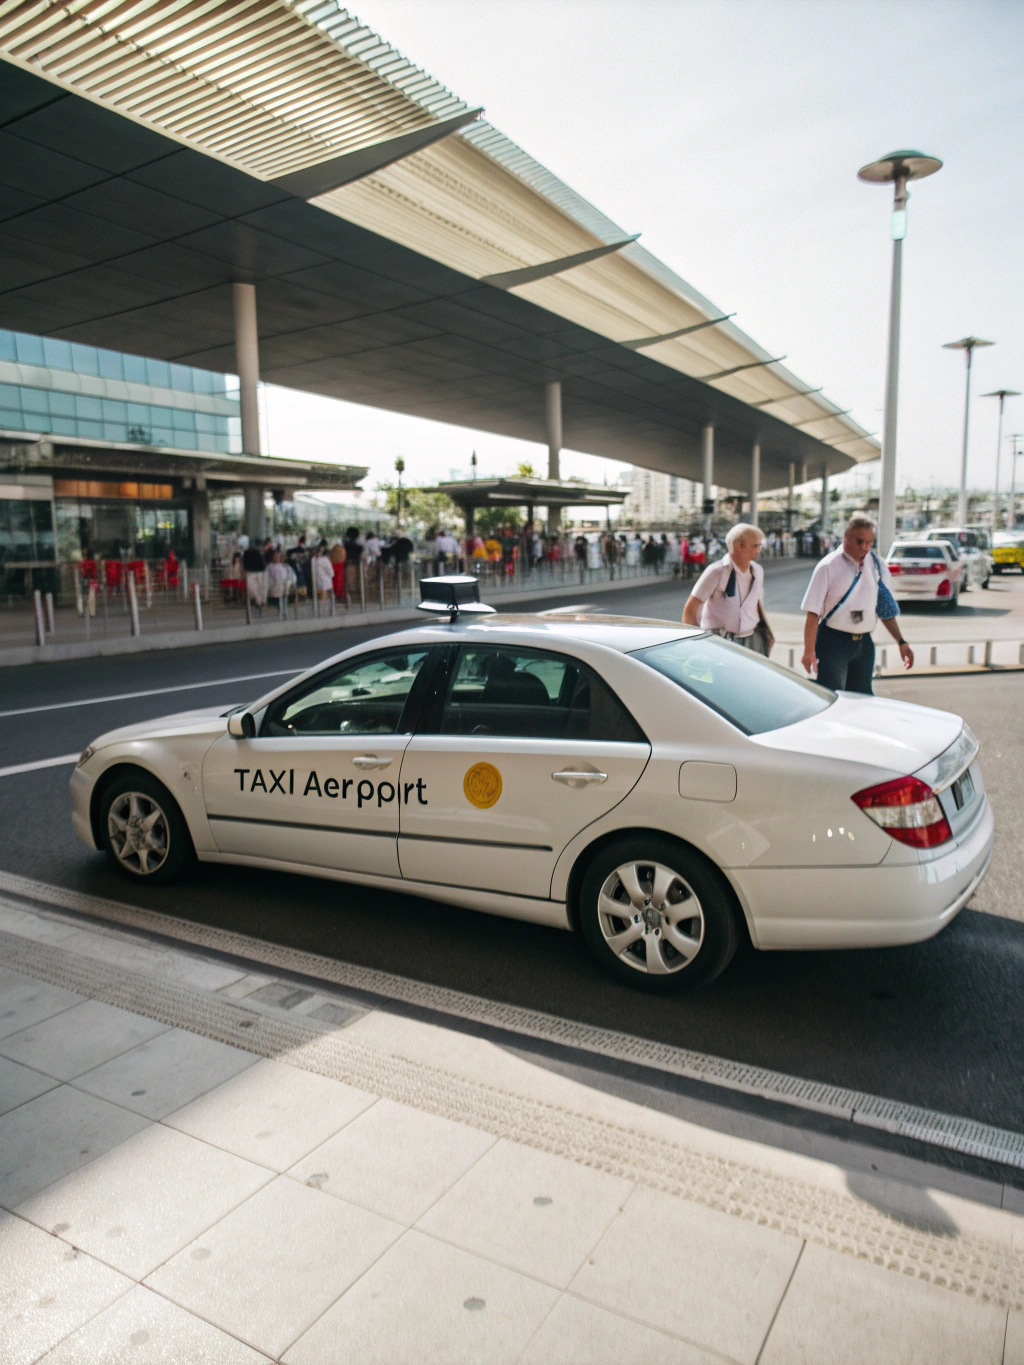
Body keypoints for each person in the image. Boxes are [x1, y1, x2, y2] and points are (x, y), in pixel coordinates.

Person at [800, 513, 913, 693]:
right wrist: (808, 651)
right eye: (860, 542)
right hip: (834, 643)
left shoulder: (876, 564)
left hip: (864, 644)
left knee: (862, 699)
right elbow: (812, 613)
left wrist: (901, 642)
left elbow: (884, 608)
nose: (865, 548)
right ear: (847, 538)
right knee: (835, 698)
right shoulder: (828, 566)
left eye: (869, 543)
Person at [682, 523, 773, 654]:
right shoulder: (716, 571)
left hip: (752, 638)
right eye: (755, 546)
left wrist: (766, 633)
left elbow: (756, 604)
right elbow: (690, 609)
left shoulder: (757, 570)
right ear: (739, 546)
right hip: (722, 641)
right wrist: (697, 642)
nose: (759, 549)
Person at [241, 539, 265, 612]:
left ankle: (259, 601)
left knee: (255, 589)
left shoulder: (248, 553)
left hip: (253, 572)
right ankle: (259, 601)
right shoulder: (257, 553)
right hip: (255, 572)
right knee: (257, 588)